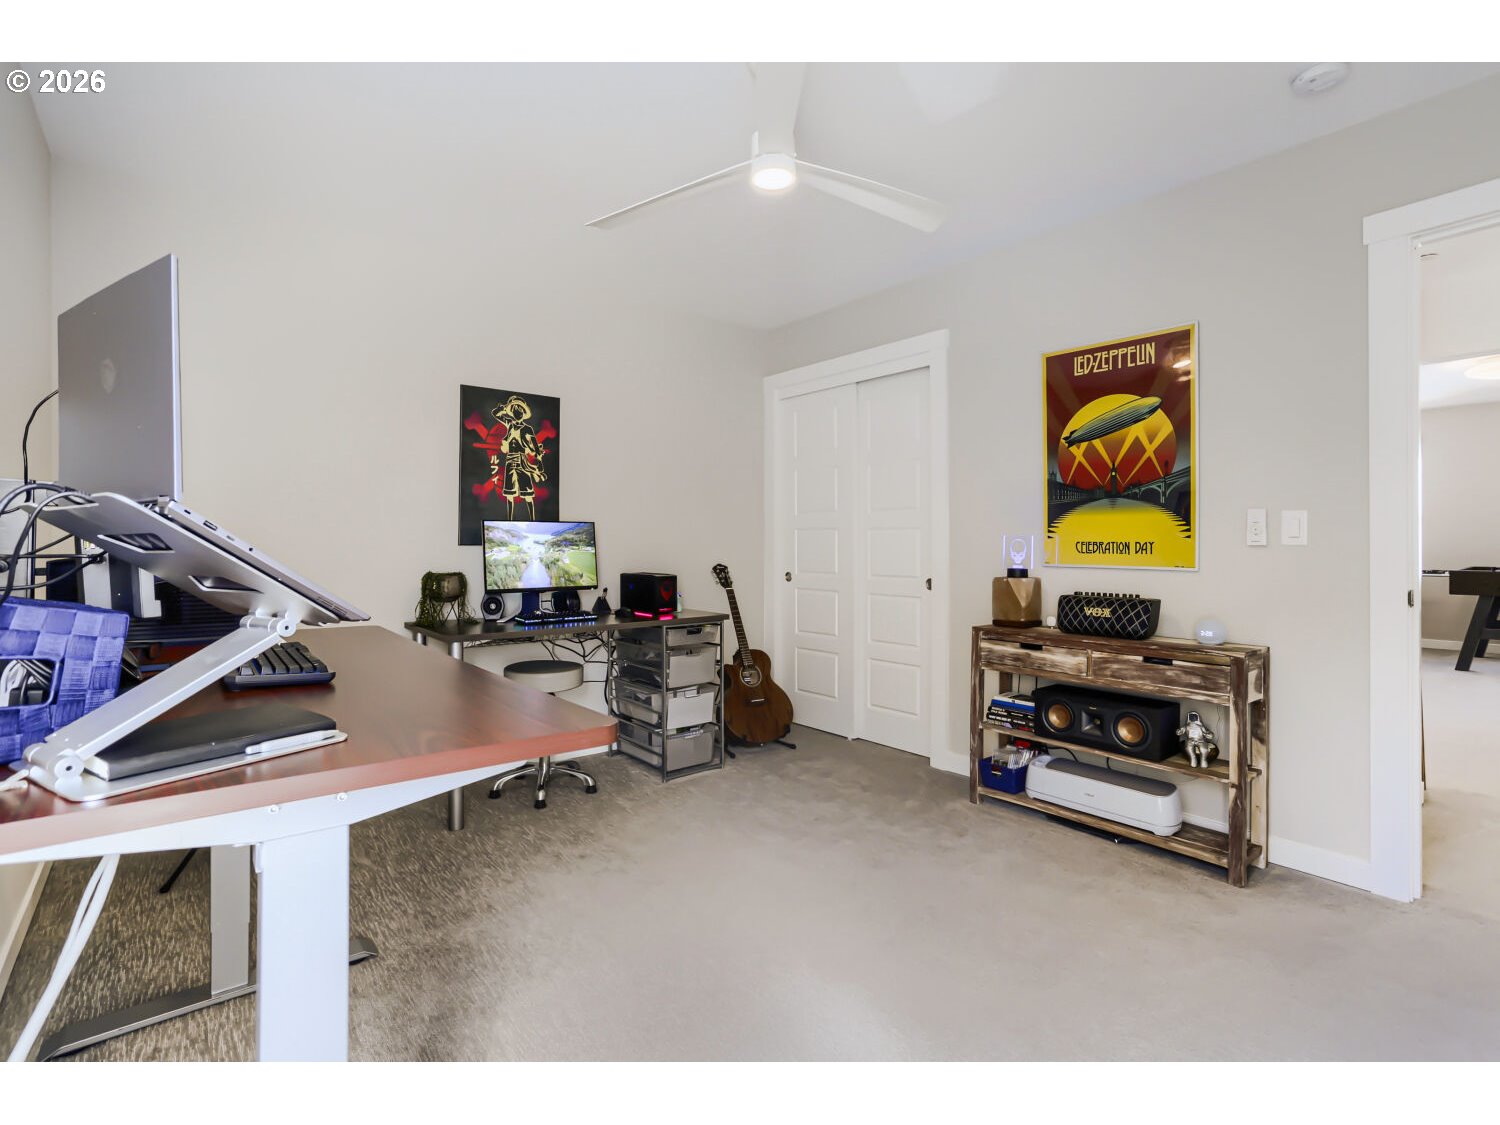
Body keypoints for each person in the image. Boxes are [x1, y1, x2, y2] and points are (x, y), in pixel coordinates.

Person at [488, 395, 546, 520]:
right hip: (510, 459)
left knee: (527, 493)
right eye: (514, 410)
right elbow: (495, 414)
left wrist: (539, 463)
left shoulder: (527, 429)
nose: (517, 412)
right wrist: (503, 409)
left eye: (519, 410)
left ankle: (533, 519)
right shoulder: (510, 424)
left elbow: (536, 448)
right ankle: (509, 520)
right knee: (509, 493)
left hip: (522, 460)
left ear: (523, 412)